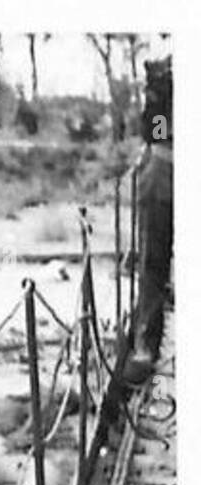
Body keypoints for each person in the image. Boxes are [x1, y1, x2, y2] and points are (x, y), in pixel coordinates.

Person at [123, 57, 172, 386]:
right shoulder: (166, 78)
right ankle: (144, 348)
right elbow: (158, 132)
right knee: (152, 264)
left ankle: (145, 349)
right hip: (166, 168)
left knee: (152, 266)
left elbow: (156, 132)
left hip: (165, 172)